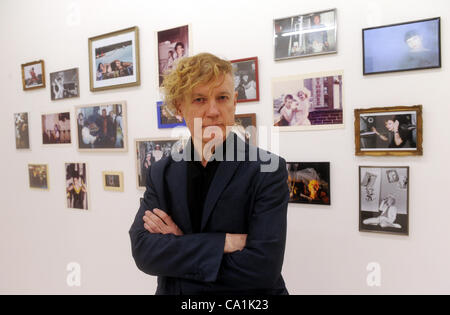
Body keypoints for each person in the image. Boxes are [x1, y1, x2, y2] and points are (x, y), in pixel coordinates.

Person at [129, 52, 289, 295]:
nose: (213, 111)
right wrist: (223, 243)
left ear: (234, 102)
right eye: (200, 100)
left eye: (222, 97)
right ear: (180, 107)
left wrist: (178, 246)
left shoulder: (267, 169)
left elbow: (261, 270)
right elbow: (144, 251)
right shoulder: (161, 173)